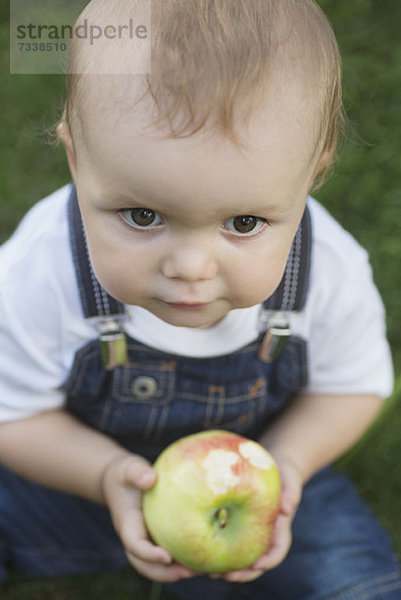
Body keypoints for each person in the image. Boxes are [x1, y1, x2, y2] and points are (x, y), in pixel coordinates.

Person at [0, 1, 400, 598]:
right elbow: (13, 415)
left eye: (243, 222)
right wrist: (107, 474)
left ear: (311, 174)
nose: (190, 268)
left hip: (266, 472)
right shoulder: (38, 273)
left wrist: (287, 464)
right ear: (77, 162)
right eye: (142, 215)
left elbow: (354, 387)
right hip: (79, 481)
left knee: (356, 582)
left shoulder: (329, 272)